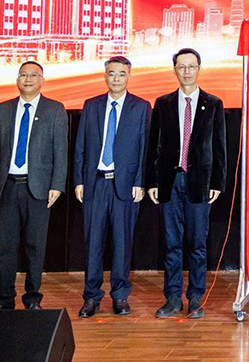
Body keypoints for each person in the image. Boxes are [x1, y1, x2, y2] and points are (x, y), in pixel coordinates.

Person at [147, 48, 227, 319]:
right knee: (171, 243)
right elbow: (154, 145)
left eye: (191, 66)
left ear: (199, 69)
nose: (187, 71)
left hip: (199, 184)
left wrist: (217, 182)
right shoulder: (163, 103)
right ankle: (172, 298)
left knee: (197, 244)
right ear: (175, 71)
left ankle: (195, 297)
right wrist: (152, 181)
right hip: (169, 182)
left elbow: (219, 147)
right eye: (181, 67)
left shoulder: (213, 103)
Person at [0, 61, 68, 310]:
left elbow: (60, 151)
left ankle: (32, 299)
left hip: (38, 189)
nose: (28, 79)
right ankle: (4, 298)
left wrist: (57, 184)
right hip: (7, 187)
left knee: (35, 247)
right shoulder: (3, 109)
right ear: (17, 79)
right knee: (5, 247)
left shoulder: (55, 110)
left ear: (42, 80)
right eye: (23, 75)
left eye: (33, 75)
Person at [73, 56, 151, 318]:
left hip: (125, 186)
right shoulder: (91, 105)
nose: (116, 78)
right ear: (105, 76)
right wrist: (79, 180)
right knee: (92, 243)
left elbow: (144, 148)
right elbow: (81, 145)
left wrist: (140, 181)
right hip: (95, 183)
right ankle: (91, 297)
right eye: (112, 73)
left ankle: (120, 295)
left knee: (122, 243)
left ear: (129, 76)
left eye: (121, 74)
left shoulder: (141, 107)